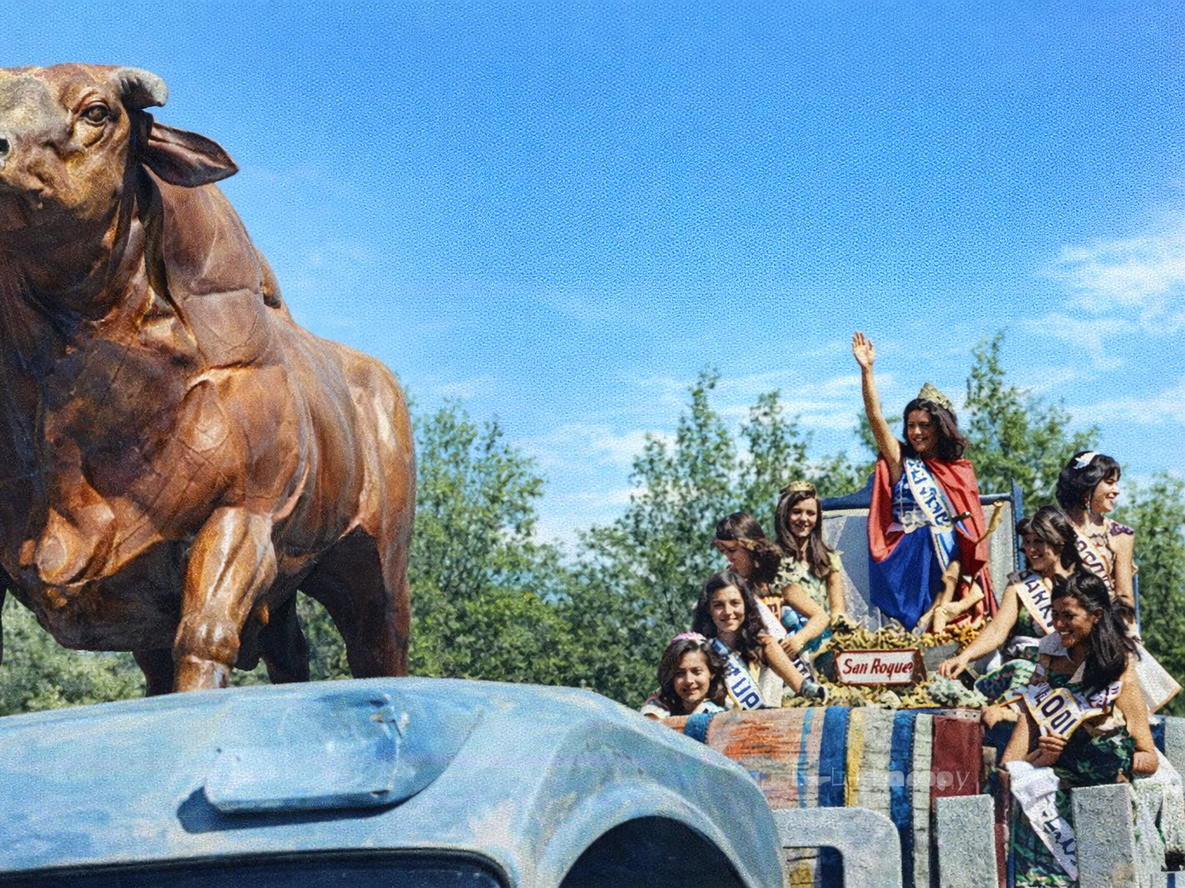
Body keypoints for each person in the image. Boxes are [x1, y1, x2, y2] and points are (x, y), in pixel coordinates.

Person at [1002, 570, 1157, 888]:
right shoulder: (1045, 666)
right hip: (1046, 821)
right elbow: (1010, 767)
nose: (1058, 624)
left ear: (1096, 615)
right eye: (1054, 615)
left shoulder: (1118, 674)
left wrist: (1105, 755)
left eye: (1068, 616)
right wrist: (1040, 758)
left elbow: (1148, 756)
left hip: (1103, 816)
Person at [851, 330, 995, 631]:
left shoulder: (959, 470)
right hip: (904, 558)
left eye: (924, 425)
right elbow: (876, 417)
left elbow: (971, 533)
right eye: (910, 425)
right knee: (933, 534)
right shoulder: (901, 460)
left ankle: (938, 613)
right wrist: (867, 372)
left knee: (945, 534)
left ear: (940, 428)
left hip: (945, 565)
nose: (915, 432)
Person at [1056, 450, 1180, 712]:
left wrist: (1129, 632)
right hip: (1061, 622)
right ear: (1087, 485)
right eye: (1109, 483)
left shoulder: (1121, 535)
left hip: (1104, 625)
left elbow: (1123, 594)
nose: (1117, 491)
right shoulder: (1055, 527)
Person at [937, 505, 1079, 685]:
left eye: (1039, 541)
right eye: (1027, 542)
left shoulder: (1082, 584)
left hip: (1066, 668)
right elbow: (997, 631)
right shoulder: (1019, 584)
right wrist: (963, 657)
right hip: (1023, 668)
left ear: (1059, 542)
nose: (1031, 549)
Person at [691, 570, 828, 705]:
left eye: (735, 603)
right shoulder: (701, 650)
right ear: (708, 609)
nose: (728, 612)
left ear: (746, 605)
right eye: (718, 605)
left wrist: (804, 688)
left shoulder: (764, 645)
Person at [712, 512, 830, 667]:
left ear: (751, 547)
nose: (728, 558)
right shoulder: (732, 585)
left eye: (732, 550)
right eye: (724, 552)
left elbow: (821, 617)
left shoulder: (778, 579)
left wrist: (799, 640)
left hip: (794, 667)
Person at [773, 479, 848, 626]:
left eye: (811, 513)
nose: (804, 519)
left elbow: (838, 610)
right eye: (796, 512)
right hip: (788, 640)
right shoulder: (771, 557)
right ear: (784, 515)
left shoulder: (829, 559)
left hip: (825, 640)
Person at [639, 633, 727, 720]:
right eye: (680, 673)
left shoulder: (719, 718)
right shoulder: (655, 709)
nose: (689, 680)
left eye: (696, 672)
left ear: (712, 673)